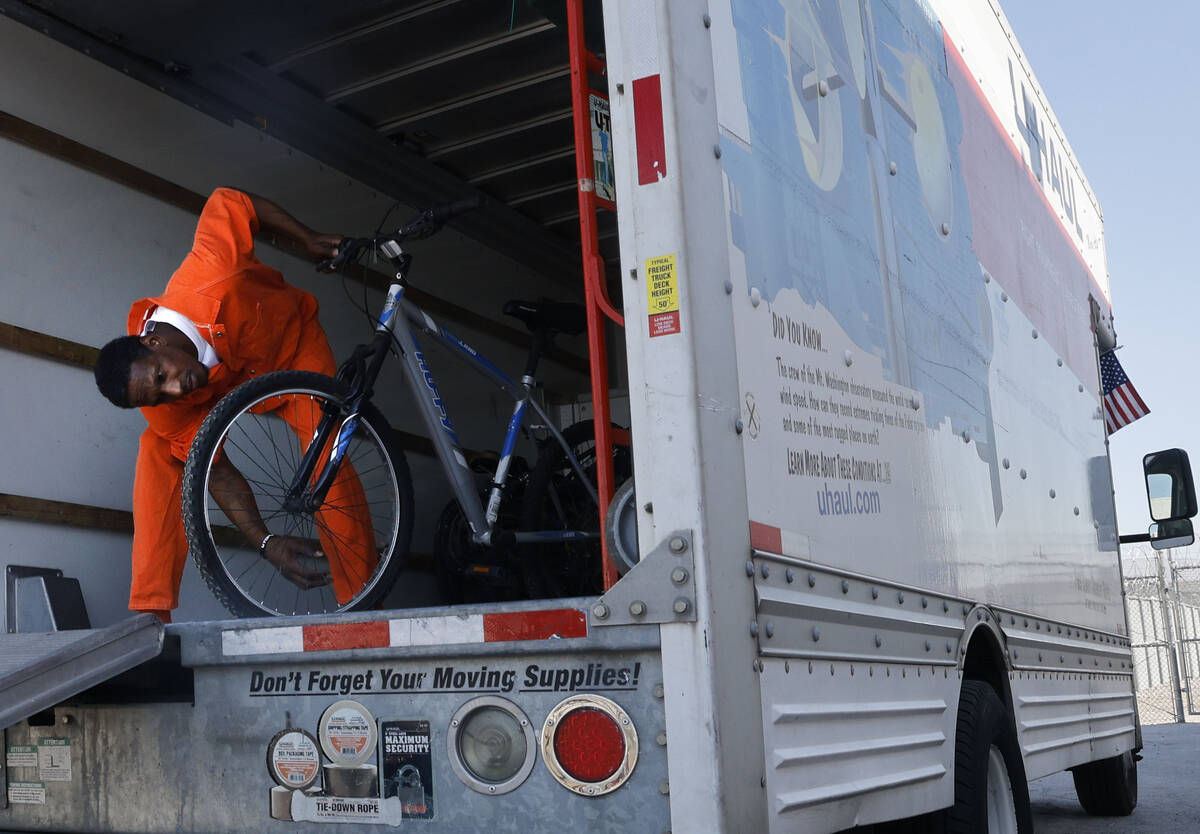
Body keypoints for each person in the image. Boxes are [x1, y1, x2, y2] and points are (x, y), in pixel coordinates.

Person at [94, 187, 374, 622]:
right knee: (157, 448)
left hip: (290, 348)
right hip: (224, 387)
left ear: (153, 341)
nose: (173, 392)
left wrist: (308, 237)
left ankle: (361, 603)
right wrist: (265, 542)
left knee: (325, 453)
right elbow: (217, 471)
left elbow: (232, 201)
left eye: (161, 377)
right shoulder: (163, 401)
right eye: (158, 394)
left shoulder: (211, 270)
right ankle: (150, 616)